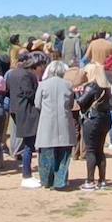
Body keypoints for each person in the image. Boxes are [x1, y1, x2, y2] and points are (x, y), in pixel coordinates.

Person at [35, 60, 77, 190]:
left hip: (47, 123)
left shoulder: (43, 85)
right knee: (64, 154)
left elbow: (37, 104)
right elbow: (71, 104)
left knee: (46, 154)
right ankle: (60, 181)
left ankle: (47, 181)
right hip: (64, 122)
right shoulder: (68, 85)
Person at [75, 62, 112, 190]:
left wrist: (77, 93)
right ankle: (102, 180)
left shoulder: (92, 86)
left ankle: (90, 181)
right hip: (105, 118)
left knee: (91, 150)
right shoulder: (106, 86)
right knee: (100, 150)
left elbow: (81, 102)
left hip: (93, 119)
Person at [7, 52, 43, 188]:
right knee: (28, 145)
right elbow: (28, 93)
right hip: (27, 111)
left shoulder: (13, 73)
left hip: (16, 110)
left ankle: (27, 174)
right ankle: (26, 175)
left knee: (26, 144)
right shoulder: (27, 75)